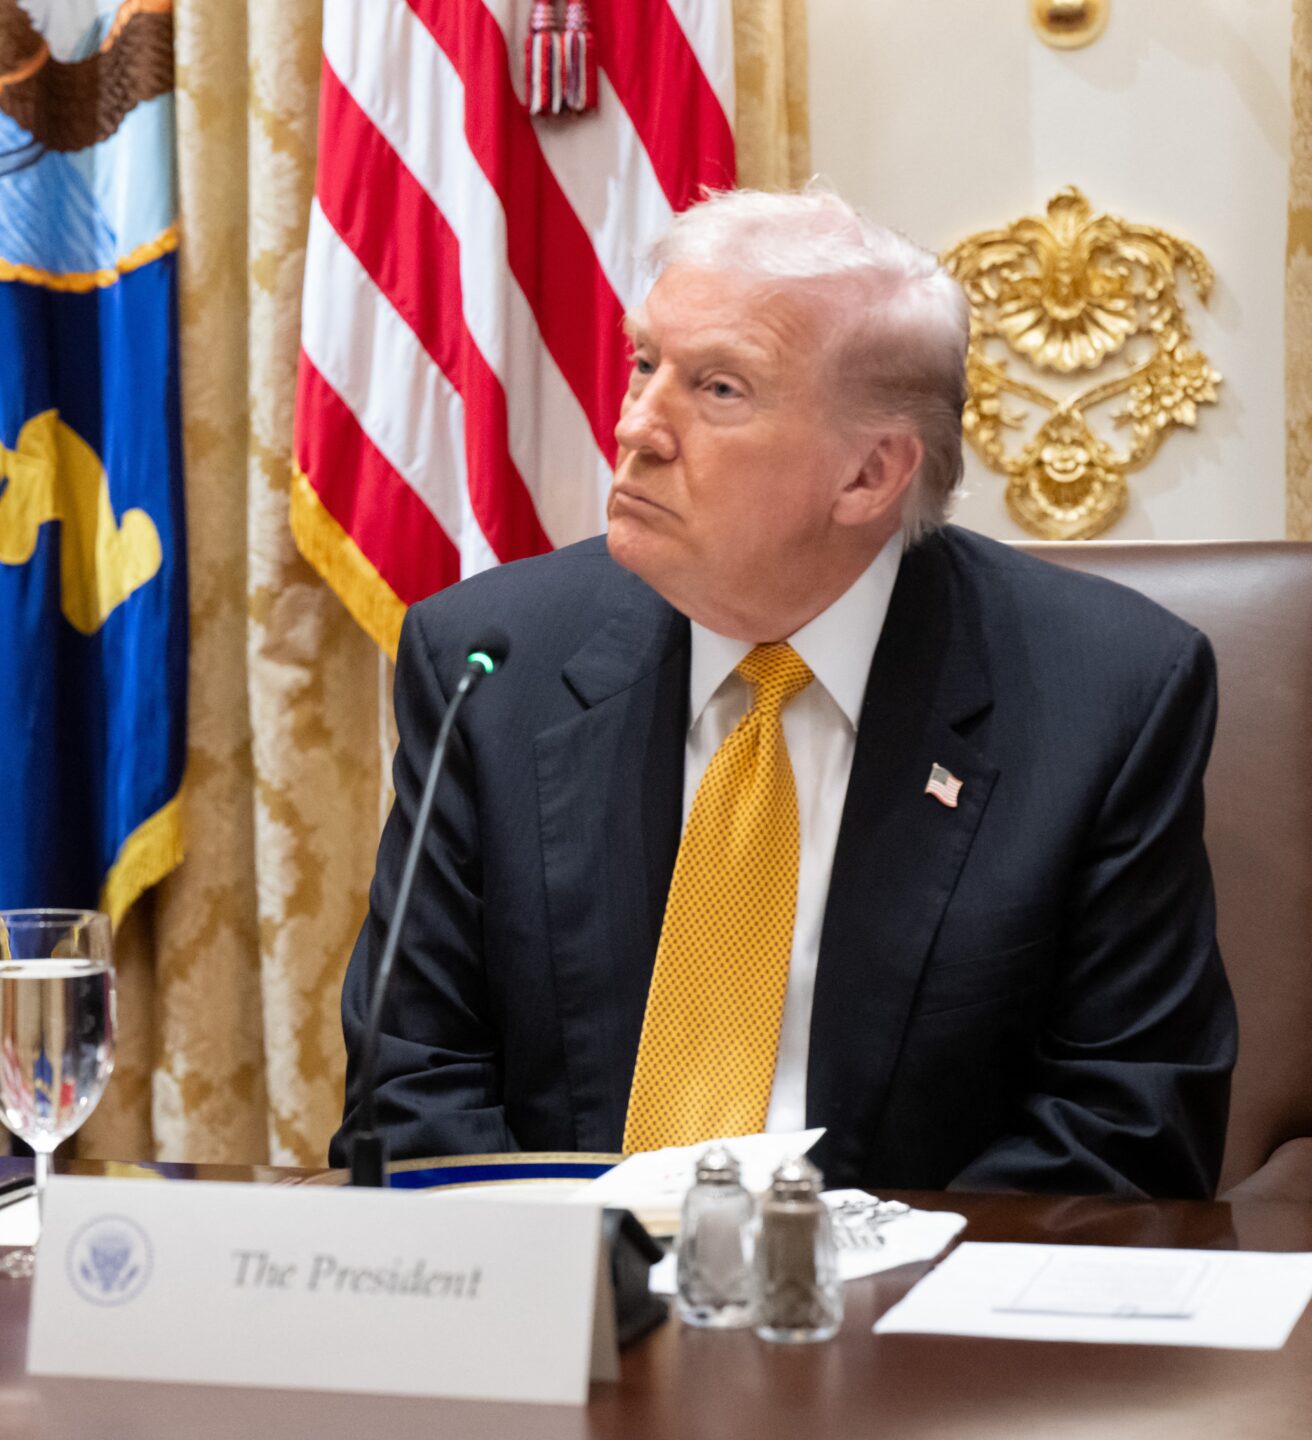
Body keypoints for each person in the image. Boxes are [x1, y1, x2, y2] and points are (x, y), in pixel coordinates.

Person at [334, 187, 1235, 1197]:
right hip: (566, 1314)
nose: (636, 426)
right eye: (644, 365)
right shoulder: (487, 662)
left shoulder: (1102, 697)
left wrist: (830, 1300)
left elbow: (1127, 1128)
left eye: (718, 389)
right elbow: (409, 1086)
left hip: (896, 1326)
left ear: (868, 475)